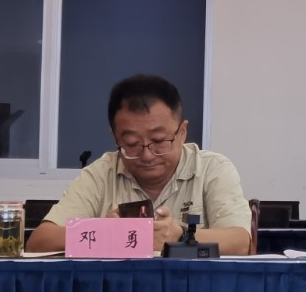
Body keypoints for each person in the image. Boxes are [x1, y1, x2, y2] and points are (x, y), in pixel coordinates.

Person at [28, 74, 252, 255]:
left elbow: (241, 243)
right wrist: (103, 232)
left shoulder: (213, 169)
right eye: (132, 144)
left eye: (158, 141)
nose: (147, 155)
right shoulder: (100, 174)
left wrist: (181, 236)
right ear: (115, 137)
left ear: (182, 132)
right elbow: (39, 242)